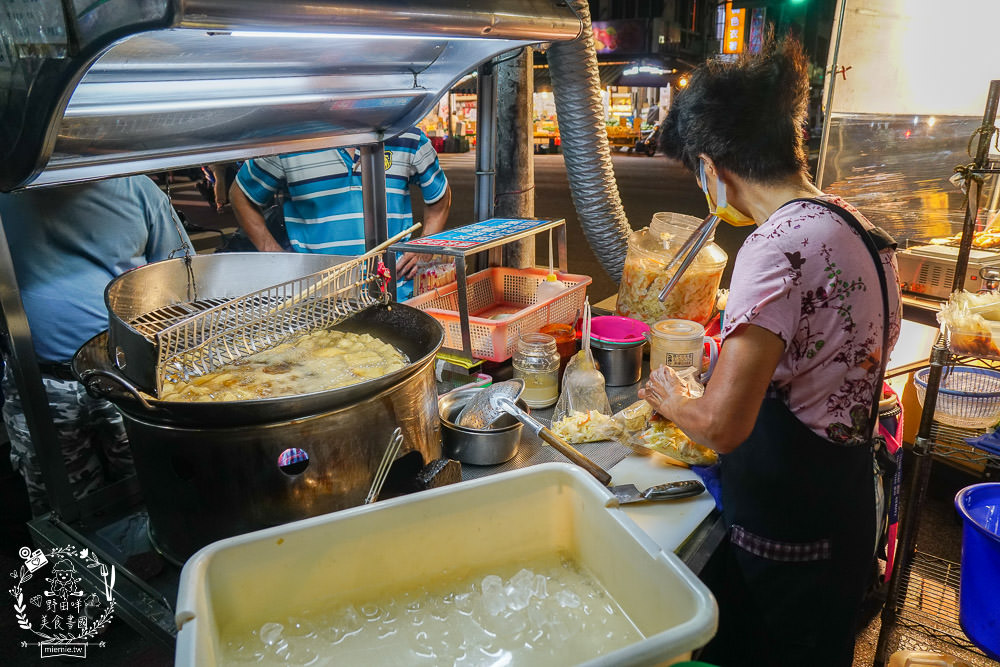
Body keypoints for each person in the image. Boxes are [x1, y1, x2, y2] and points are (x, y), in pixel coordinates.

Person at [639, 38, 902, 666]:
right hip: (839, 507)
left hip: (789, 523)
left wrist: (676, 399)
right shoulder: (851, 223)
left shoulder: (774, 246)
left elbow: (725, 425)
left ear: (711, 164)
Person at [0, 175, 192, 516]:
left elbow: (183, 278)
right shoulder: (6, 191)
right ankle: (69, 570)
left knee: (150, 489)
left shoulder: (136, 187)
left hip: (127, 377)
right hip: (38, 384)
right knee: (59, 507)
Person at [229, 127, 451, 299]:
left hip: (395, 291)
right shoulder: (289, 141)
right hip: (317, 296)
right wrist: (274, 254)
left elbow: (440, 196)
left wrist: (425, 245)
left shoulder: (408, 136)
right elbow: (241, 195)